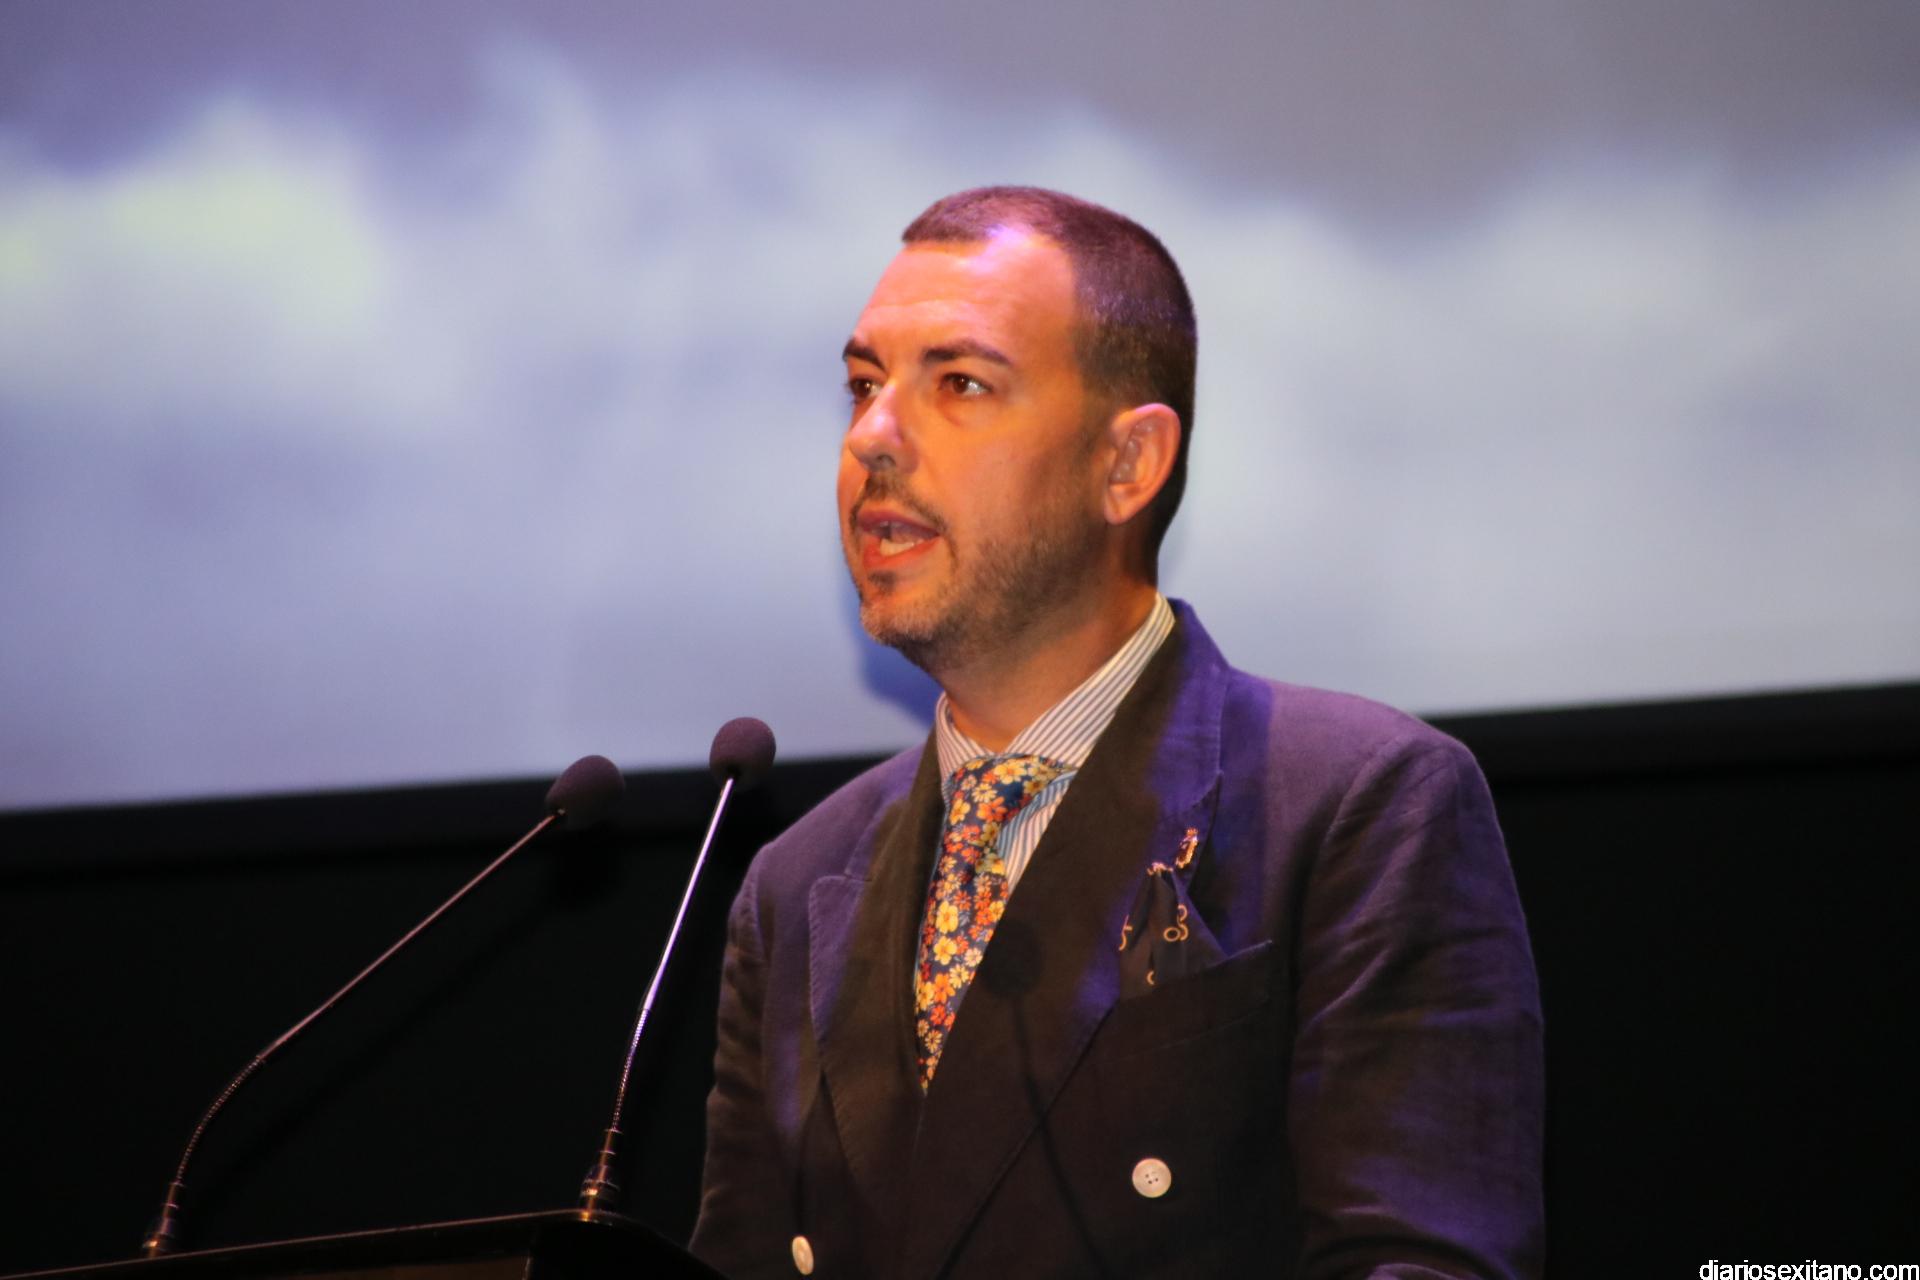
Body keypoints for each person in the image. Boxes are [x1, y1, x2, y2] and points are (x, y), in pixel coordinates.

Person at [689, 186, 1544, 1279]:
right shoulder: (793, 884)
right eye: (863, 385)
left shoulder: (1362, 807)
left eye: (959, 384)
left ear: (1128, 464)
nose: (873, 438)